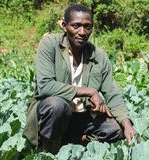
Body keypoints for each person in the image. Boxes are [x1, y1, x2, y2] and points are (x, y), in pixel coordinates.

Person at [23, 4, 136, 154]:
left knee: (115, 130)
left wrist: (127, 125)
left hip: (82, 116)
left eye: (87, 27)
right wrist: (89, 92)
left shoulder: (98, 55)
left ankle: (72, 142)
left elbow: (112, 93)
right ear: (64, 26)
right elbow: (45, 85)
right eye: (76, 26)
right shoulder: (50, 44)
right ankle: (48, 153)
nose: (82, 32)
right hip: (54, 115)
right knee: (56, 106)